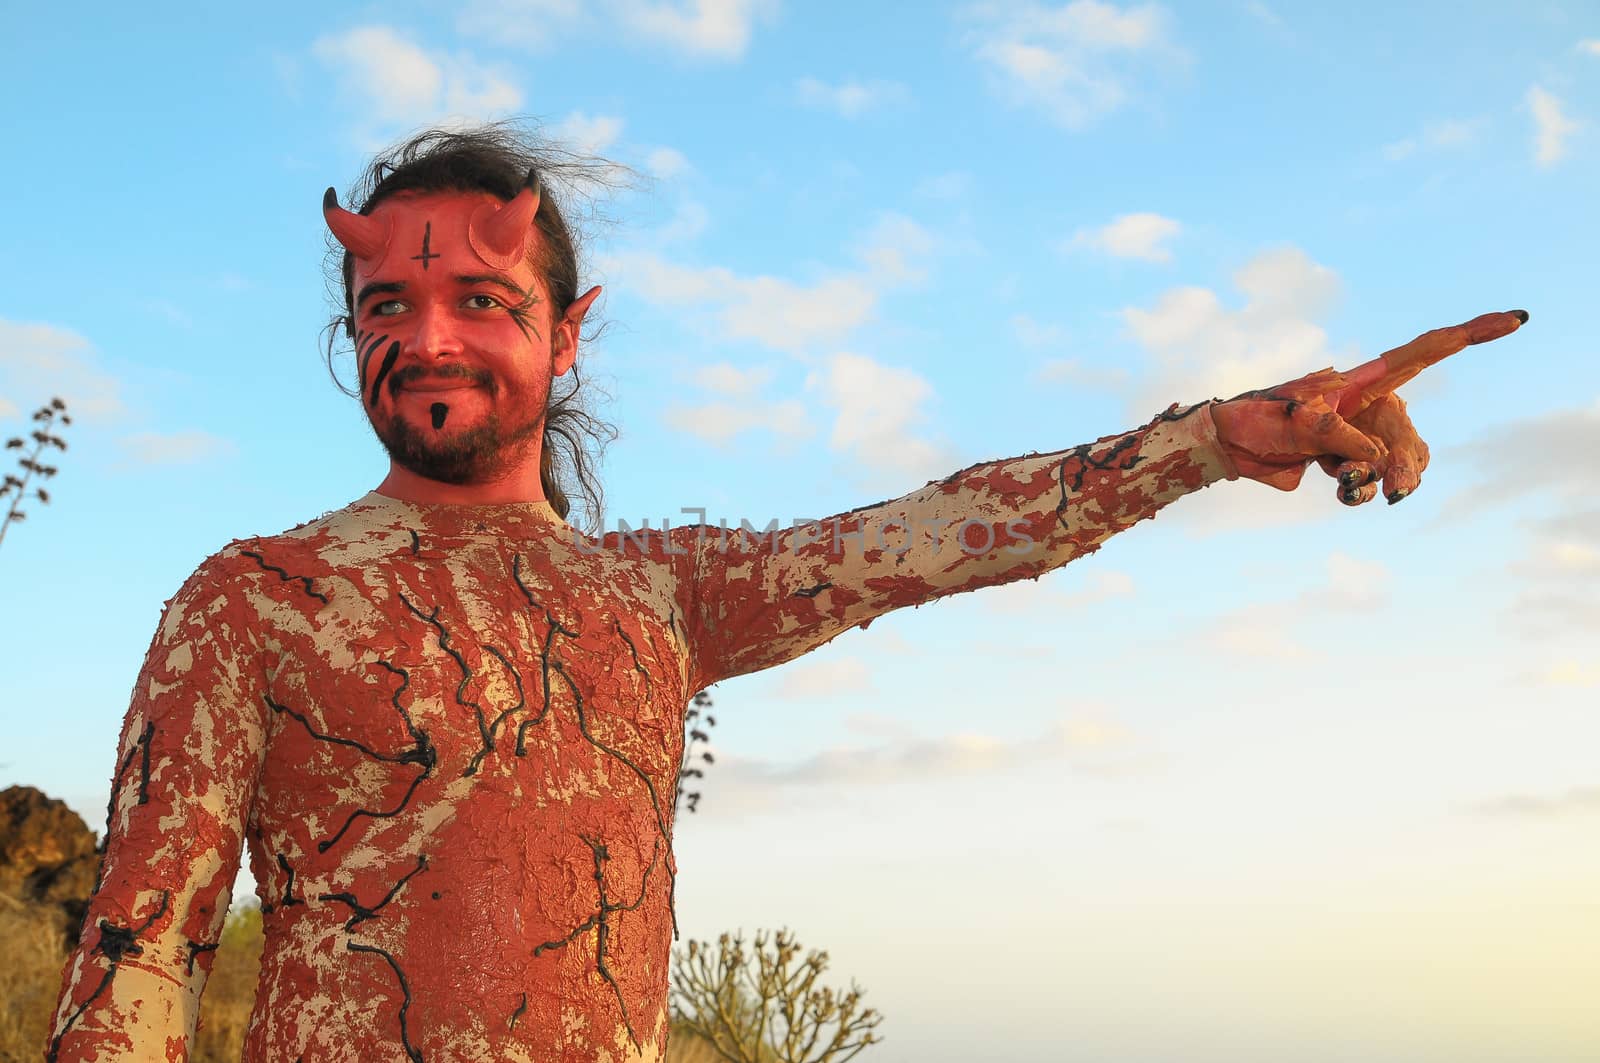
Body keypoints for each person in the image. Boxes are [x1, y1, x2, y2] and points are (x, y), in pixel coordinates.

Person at [47, 124, 1526, 1062]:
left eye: (482, 303)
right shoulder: (251, 602)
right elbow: (136, 970)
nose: (427, 340)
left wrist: (1216, 436)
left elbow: (937, 531)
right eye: (388, 306)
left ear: (568, 338)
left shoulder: (657, 597)